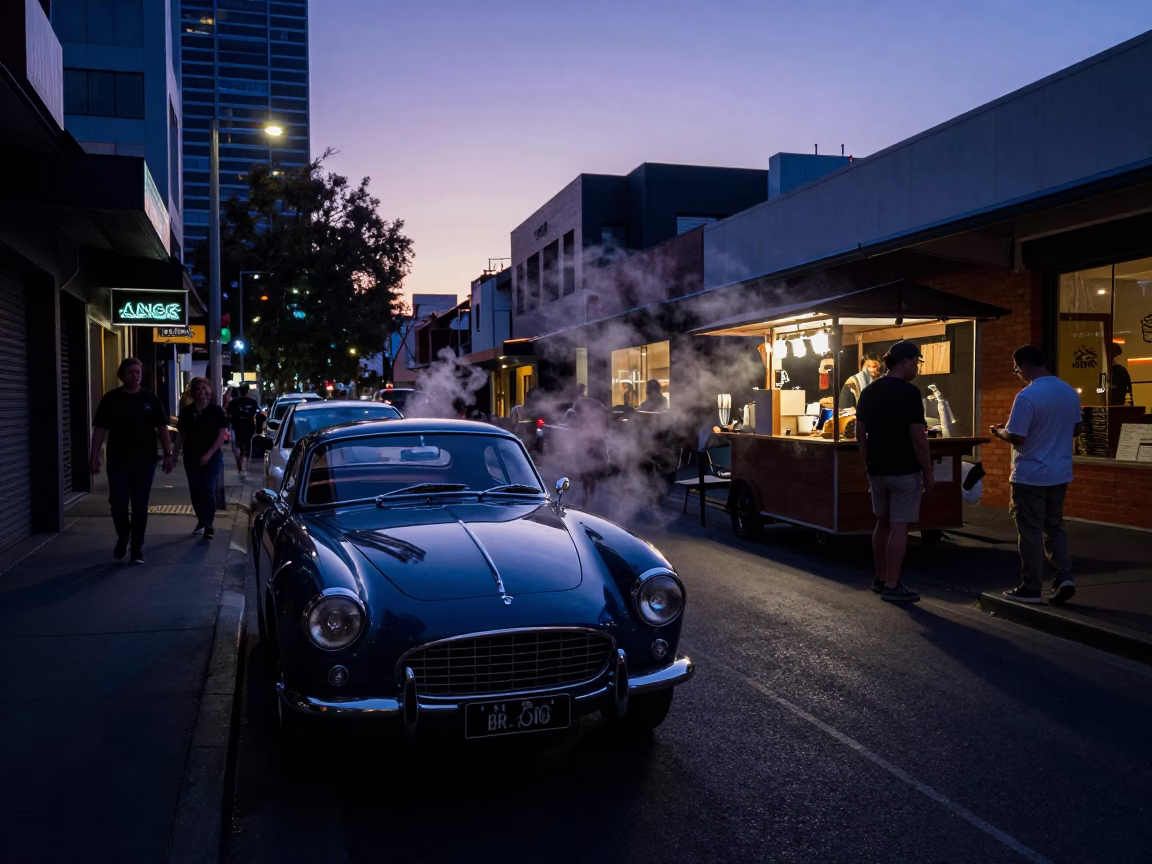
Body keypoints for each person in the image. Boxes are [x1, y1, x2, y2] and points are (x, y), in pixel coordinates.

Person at [989, 345, 1083, 605]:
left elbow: (1017, 436)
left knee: (1029, 531)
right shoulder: (1068, 391)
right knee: (1054, 527)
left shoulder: (1027, 395)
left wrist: (999, 432)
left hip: (1030, 473)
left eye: (1016, 368)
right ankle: (1064, 578)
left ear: (1026, 365)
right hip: (1059, 472)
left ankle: (1031, 587)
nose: (1017, 373)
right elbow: (1076, 429)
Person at [855, 340, 934, 603]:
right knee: (900, 526)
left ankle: (880, 578)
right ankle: (892, 584)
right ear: (905, 362)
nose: (917, 368)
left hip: (877, 469)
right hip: (904, 470)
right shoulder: (909, 393)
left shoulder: (869, 391)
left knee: (883, 522)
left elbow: (859, 432)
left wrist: (868, 461)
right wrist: (928, 473)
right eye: (916, 362)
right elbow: (919, 438)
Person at [90, 358, 174, 564]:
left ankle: (136, 548)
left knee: (139, 505)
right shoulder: (111, 399)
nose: (135, 376)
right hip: (118, 459)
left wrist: (168, 454)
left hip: (145, 459)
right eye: (131, 372)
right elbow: (100, 429)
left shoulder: (150, 399)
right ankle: (123, 534)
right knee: (117, 502)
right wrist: (94, 455)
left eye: (138, 372)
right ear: (121, 375)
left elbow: (162, 428)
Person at [173, 377, 229, 539]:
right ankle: (201, 521)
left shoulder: (216, 411)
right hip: (191, 456)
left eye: (205, 388)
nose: (202, 392)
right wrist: (174, 455)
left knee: (207, 487)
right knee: (195, 490)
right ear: (193, 392)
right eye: (198, 389)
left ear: (210, 391)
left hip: (212, 456)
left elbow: (221, 435)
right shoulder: (186, 412)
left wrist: (209, 454)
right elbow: (180, 435)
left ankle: (209, 524)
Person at [226, 383, 260, 477]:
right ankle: (244, 468)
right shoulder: (253, 402)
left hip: (237, 428)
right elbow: (259, 413)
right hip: (249, 428)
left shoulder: (234, 402)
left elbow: (228, 414)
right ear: (248, 392)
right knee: (246, 449)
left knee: (238, 448)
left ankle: (240, 467)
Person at [1108, 342, 1133, 407]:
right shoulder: (1122, 370)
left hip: (1111, 405)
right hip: (1120, 405)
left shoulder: (1104, 370)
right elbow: (1128, 390)